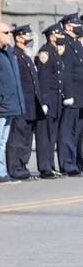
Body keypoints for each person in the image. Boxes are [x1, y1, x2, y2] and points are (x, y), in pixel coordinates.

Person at [0, 21, 24, 184]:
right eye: (6, 33)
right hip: (0, 102)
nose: (9, 35)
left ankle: (1, 170)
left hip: (11, 102)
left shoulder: (7, 51)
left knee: (2, 140)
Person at [8, 24, 45, 181]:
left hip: (31, 104)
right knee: (18, 137)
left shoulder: (25, 55)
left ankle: (22, 166)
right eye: (27, 36)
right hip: (21, 104)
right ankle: (15, 168)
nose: (30, 39)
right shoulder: (15, 54)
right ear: (18, 38)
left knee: (27, 138)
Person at [35, 22, 65, 178]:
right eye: (60, 35)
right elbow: (42, 79)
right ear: (52, 36)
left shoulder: (54, 52)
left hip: (56, 102)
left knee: (51, 136)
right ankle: (44, 168)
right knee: (44, 136)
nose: (62, 37)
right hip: (48, 101)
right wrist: (44, 102)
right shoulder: (45, 53)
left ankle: (50, 165)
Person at [57, 14, 83, 175]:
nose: (80, 26)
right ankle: (67, 164)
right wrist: (67, 94)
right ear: (67, 26)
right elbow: (65, 72)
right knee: (68, 131)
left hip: (81, 95)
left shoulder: (76, 43)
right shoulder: (64, 43)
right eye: (76, 24)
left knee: (78, 132)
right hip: (72, 95)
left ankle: (77, 162)